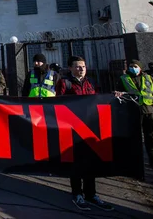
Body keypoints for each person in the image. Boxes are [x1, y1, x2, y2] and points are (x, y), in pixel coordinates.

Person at [56, 56, 114, 211]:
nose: (81, 69)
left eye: (83, 66)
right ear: (70, 68)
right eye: (77, 66)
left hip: (90, 127)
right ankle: (77, 193)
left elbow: (100, 99)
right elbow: (57, 103)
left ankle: (91, 193)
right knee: (76, 162)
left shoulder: (91, 82)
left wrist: (114, 96)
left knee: (90, 162)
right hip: (72, 128)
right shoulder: (65, 82)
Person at [116, 59, 153, 171]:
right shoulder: (123, 79)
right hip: (132, 112)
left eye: (135, 66)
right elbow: (118, 95)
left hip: (149, 111)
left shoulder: (149, 78)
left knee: (150, 137)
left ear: (140, 67)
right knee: (133, 138)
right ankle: (134, 162)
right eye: (131, 66)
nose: (133, 68)